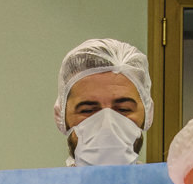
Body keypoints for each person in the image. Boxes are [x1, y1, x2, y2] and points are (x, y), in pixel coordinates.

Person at [53, 38, 153, 166]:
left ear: (147, 114)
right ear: (61, 117)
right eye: (88, 111)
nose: (107, 125)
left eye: (123, 109)